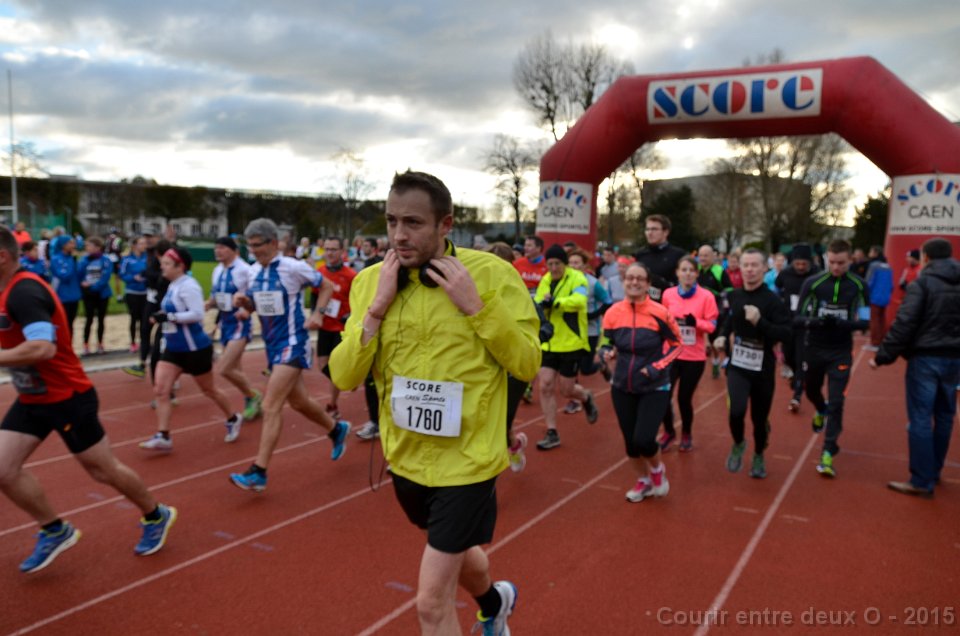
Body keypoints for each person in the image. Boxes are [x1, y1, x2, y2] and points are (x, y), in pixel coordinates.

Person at [330, 170, 539, 634]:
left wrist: (476, 307)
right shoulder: (371, 282)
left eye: (413, 223)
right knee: (457, 550)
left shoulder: (492, 275)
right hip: (405, 458)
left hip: (469, 461)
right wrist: (376, 310)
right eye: (391, 221)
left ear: (446, 224)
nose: (399, 235)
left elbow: (526, 363)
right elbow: (344, 376)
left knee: (430, 602)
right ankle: (495, 600)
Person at [0, 227, 176, 572]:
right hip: (33, 398)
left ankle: (156, 514)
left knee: (102, 469)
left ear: (1, 257)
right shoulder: (5, 291)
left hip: (68, 398)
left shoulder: (25, 292)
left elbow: (43, 347)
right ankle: (55, 529)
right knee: (3, 470)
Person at [228, 218, 350, 492]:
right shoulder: (253, 272)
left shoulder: (293, 267)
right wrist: (245, 304)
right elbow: (259, 305)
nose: (253, 251)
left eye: (258, 245)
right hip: (272, 345)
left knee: (271, 404)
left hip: (293, 342)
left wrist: (318, 314)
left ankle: (258, 472)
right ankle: (335, 429)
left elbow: (326, 286)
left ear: (273, 242)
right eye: (250, 246)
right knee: (299, 402)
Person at [872, 238, 960, 498]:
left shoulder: (922, 283)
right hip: (954, 357)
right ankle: (933, 470)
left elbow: (904, 323)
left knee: (921, 417)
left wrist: (882, 356)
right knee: (945, 415)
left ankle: (922, 479)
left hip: (925, 357)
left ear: (926, 257)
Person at [139, 246, 243, 451]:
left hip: (195, 349)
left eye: (167, 263)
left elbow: (197, 314)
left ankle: (233, 418)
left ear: (180, 266)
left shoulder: (189, 286)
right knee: (161, 390)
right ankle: (163, 435)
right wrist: (160, 317)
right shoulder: (173, 284)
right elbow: (170, 312)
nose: (162, 266)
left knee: (209, 390)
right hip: (173, 348)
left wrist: (169, 317)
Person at [601, 262, 682, 502]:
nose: (634, 282)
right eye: (630, 278)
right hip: (622, 386)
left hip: (654, 386)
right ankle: (643, 481)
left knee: (644, 439)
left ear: (648, 284)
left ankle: (656, 470)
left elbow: (677, 345)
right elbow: (606, 342)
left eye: (639, 279)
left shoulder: (660, 313)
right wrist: (607, 352)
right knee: (630, 444)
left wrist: (657, 368)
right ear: (624, 282)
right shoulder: (613, 312)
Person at [713, 249, 792, 479]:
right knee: (736, 411)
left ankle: (758, 454)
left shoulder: (773, 300)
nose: (749, 269)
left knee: (759, 419)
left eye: (754, 265)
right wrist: (722, 335)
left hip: (763, 368)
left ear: (764, 268)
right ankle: (739, 443)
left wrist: (761, 322)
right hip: (738, 365)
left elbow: (786, 333)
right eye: (745, 265)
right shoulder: (735, 295)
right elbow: (730, 320)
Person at [794, 240, 869, 477]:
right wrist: (817, 322)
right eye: (832, 262)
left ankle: (828, 451)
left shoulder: (859, 285)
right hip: (815, 348)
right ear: (826, 258)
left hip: (840, 351)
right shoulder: (813, 283)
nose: (836, 267)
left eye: (841, 263)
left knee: (837, 401)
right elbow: (797, 319)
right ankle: (820, 408)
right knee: (811, 390)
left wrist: (843, 324)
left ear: (850, 261)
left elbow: (865, 323)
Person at [534, 244, 599, 450]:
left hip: (571, 342)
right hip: (549, 343)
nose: (553, 268)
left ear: (564, 263)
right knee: (545, 385)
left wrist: (556, 302)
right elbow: (538, 298)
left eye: (557, 264)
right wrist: (542, 302)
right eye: (550, 264)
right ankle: (551, 432)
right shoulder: (546, 279)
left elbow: (579, 301)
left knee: (566, 389)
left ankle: (586, 397)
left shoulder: (577, 278)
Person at [660, 256, 719, 452]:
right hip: (670, 354)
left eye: (691, 270)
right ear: (677, 273)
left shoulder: (706, 297)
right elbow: (663, 319)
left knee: (684, 399)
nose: (687, 274)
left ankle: (686, 432)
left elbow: (712, 325)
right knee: (663, 395)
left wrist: (696, 323)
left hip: (693, 358)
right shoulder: (668, 294)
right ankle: (669, 431)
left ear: (696, 274)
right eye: (683, 270)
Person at [206, 236, 262, 422]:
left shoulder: (245, 270)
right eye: (216, 248)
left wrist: (247, 310)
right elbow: (216, 297)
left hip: (240, 323)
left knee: (224, 368)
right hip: (225, 323)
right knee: (235, 368)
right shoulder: (217, 270)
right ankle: (251, 401)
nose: (217, 251)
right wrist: (208, 305)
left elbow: (256, 295)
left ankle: (253, 395)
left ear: (233, 250)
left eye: (222, 248)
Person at [562, 248, 613, 413]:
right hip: (570, 331)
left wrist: (593, 315)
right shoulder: (564, 282)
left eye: (576, 263)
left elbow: (607, 301)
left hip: (590, 331)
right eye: (570, 263)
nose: (573, 266)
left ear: (584, 265)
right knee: (571, 365)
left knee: (586, 368)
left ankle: (602, 366)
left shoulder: (592, 283)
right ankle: (574, 400)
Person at [312, 236, 356, 421]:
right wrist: (315, 314)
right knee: (323, 365)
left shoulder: (351, 275)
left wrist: (351, 315)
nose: (329, 253)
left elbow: (359, 300)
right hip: (325, 326)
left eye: (333, 249)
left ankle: (333, 404)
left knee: (335, 366)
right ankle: (347, 381)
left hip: (341, 328)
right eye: (327, 249)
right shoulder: (319, 272)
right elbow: (314, 296)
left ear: (342, 252)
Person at [775, 243, 819, 411]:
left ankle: (797, 396)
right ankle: (795, 377)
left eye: (804, 264)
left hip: (807, 324)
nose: (800, 267)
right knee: (787, 356)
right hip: (788, 322)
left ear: (810, 263)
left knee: (802, 359)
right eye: (797, 264)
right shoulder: (785, 274)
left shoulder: (817, 274)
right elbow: (777, 288)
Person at [697, 244, 732, 379]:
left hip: (715, 309)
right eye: (701, 255)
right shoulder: (695, 270)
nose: (703, 258)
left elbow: (729, 289)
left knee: (713, 339)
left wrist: (716, 294)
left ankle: (716, 361)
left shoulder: (719, 270)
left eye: (706, 255)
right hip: (697, 309)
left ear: (713, 257)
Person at [633, 214, 686, 302]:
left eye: (654, 229)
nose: (650, 233)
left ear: (666, 232)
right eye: (647, 229)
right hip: (643, 304)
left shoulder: (678, 255)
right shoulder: (640, 254)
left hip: (670, 304)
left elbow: (684, 284)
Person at [77, 236, 113, 356]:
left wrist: (93, 287)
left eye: (89, 245)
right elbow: (79, 275)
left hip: (102, 294)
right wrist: (84, 285)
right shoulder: (84, 260)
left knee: (101, 319)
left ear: (98, 247)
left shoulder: (105, 260)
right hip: (88, 295)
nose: (87, 248)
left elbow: (106, 276)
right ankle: (86, 344)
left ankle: (100, 344)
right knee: (89, 319)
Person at [49, 236, 82, 342]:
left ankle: (69, 344)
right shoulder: (56, 259)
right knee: (63, 323)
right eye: (70, 243)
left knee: (71, 323)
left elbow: (79, 275)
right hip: (62, 296)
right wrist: (73, 262)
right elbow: (64, 276)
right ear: (63, 245)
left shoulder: (71, 258)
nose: (73, 245)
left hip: (74, 295)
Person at [119, 236, 148, 354]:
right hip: (132, 292)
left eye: (145, 243)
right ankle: (133, 343)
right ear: (135, 245)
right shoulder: (127, 259)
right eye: (141, 243)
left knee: (144, 319)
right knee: (133, 318)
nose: (144, 245)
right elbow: (122, 274)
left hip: (145, 292)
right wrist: (133, 278)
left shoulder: (147, 258)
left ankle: (143, 342)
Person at [864, 245, 894, 351]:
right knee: (882, 319)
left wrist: (865, 292)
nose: (869, 254)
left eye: (871, 251)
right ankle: (882, 341)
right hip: (885, 297)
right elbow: (891, 284)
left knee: (874, 320)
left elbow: (869, 281)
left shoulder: (873, 265)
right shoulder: (888, 266)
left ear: (876, 253)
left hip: (875, 297)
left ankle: (875, 343)